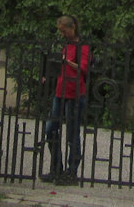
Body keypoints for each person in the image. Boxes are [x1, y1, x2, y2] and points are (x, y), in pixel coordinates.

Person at [43, 15, 90, 182]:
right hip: (60, 91)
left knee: (72, 133)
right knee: (50, 129)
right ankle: (56, 168)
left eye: (64, 31)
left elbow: (84, 69)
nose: (62, 34)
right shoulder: (66, 44)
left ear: (72, 28)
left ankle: (72, 171)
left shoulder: (82, 46)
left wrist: (67, 62)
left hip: (75, 93)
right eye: (61, 31)